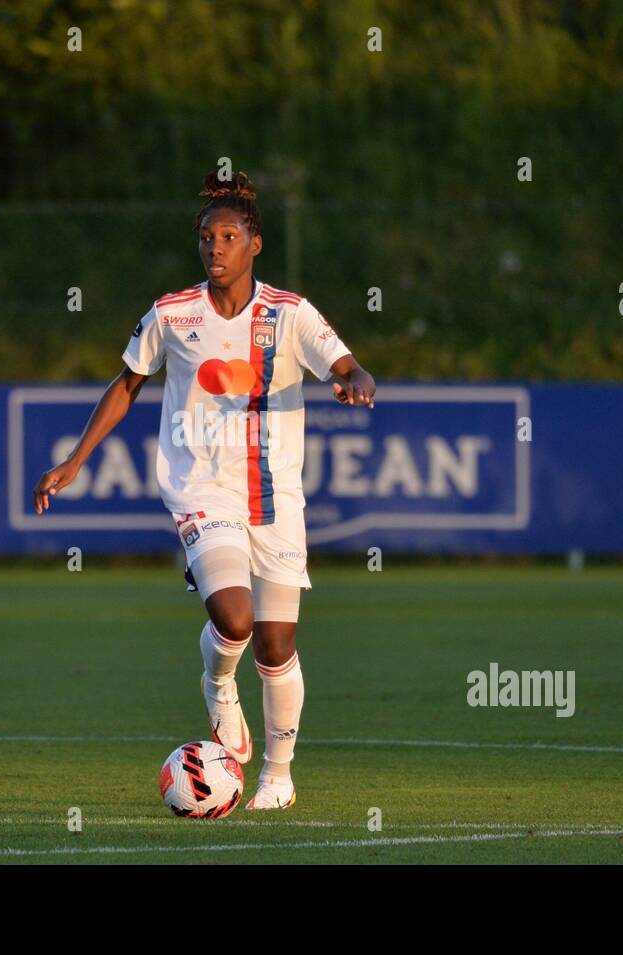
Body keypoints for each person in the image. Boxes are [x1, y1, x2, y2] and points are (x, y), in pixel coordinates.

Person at [32, 170, 377, 809]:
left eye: (228, 236)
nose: (215, 248)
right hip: (201, 492)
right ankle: (219, 685)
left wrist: (357, 379)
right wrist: (75, 459)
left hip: (276, 500)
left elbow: (347, 362)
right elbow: (128, 382)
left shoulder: (289, 313)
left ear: (255, 244)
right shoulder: (171, 313)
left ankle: (278, 775)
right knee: (234, 617)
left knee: (277, 646)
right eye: (206, 237)